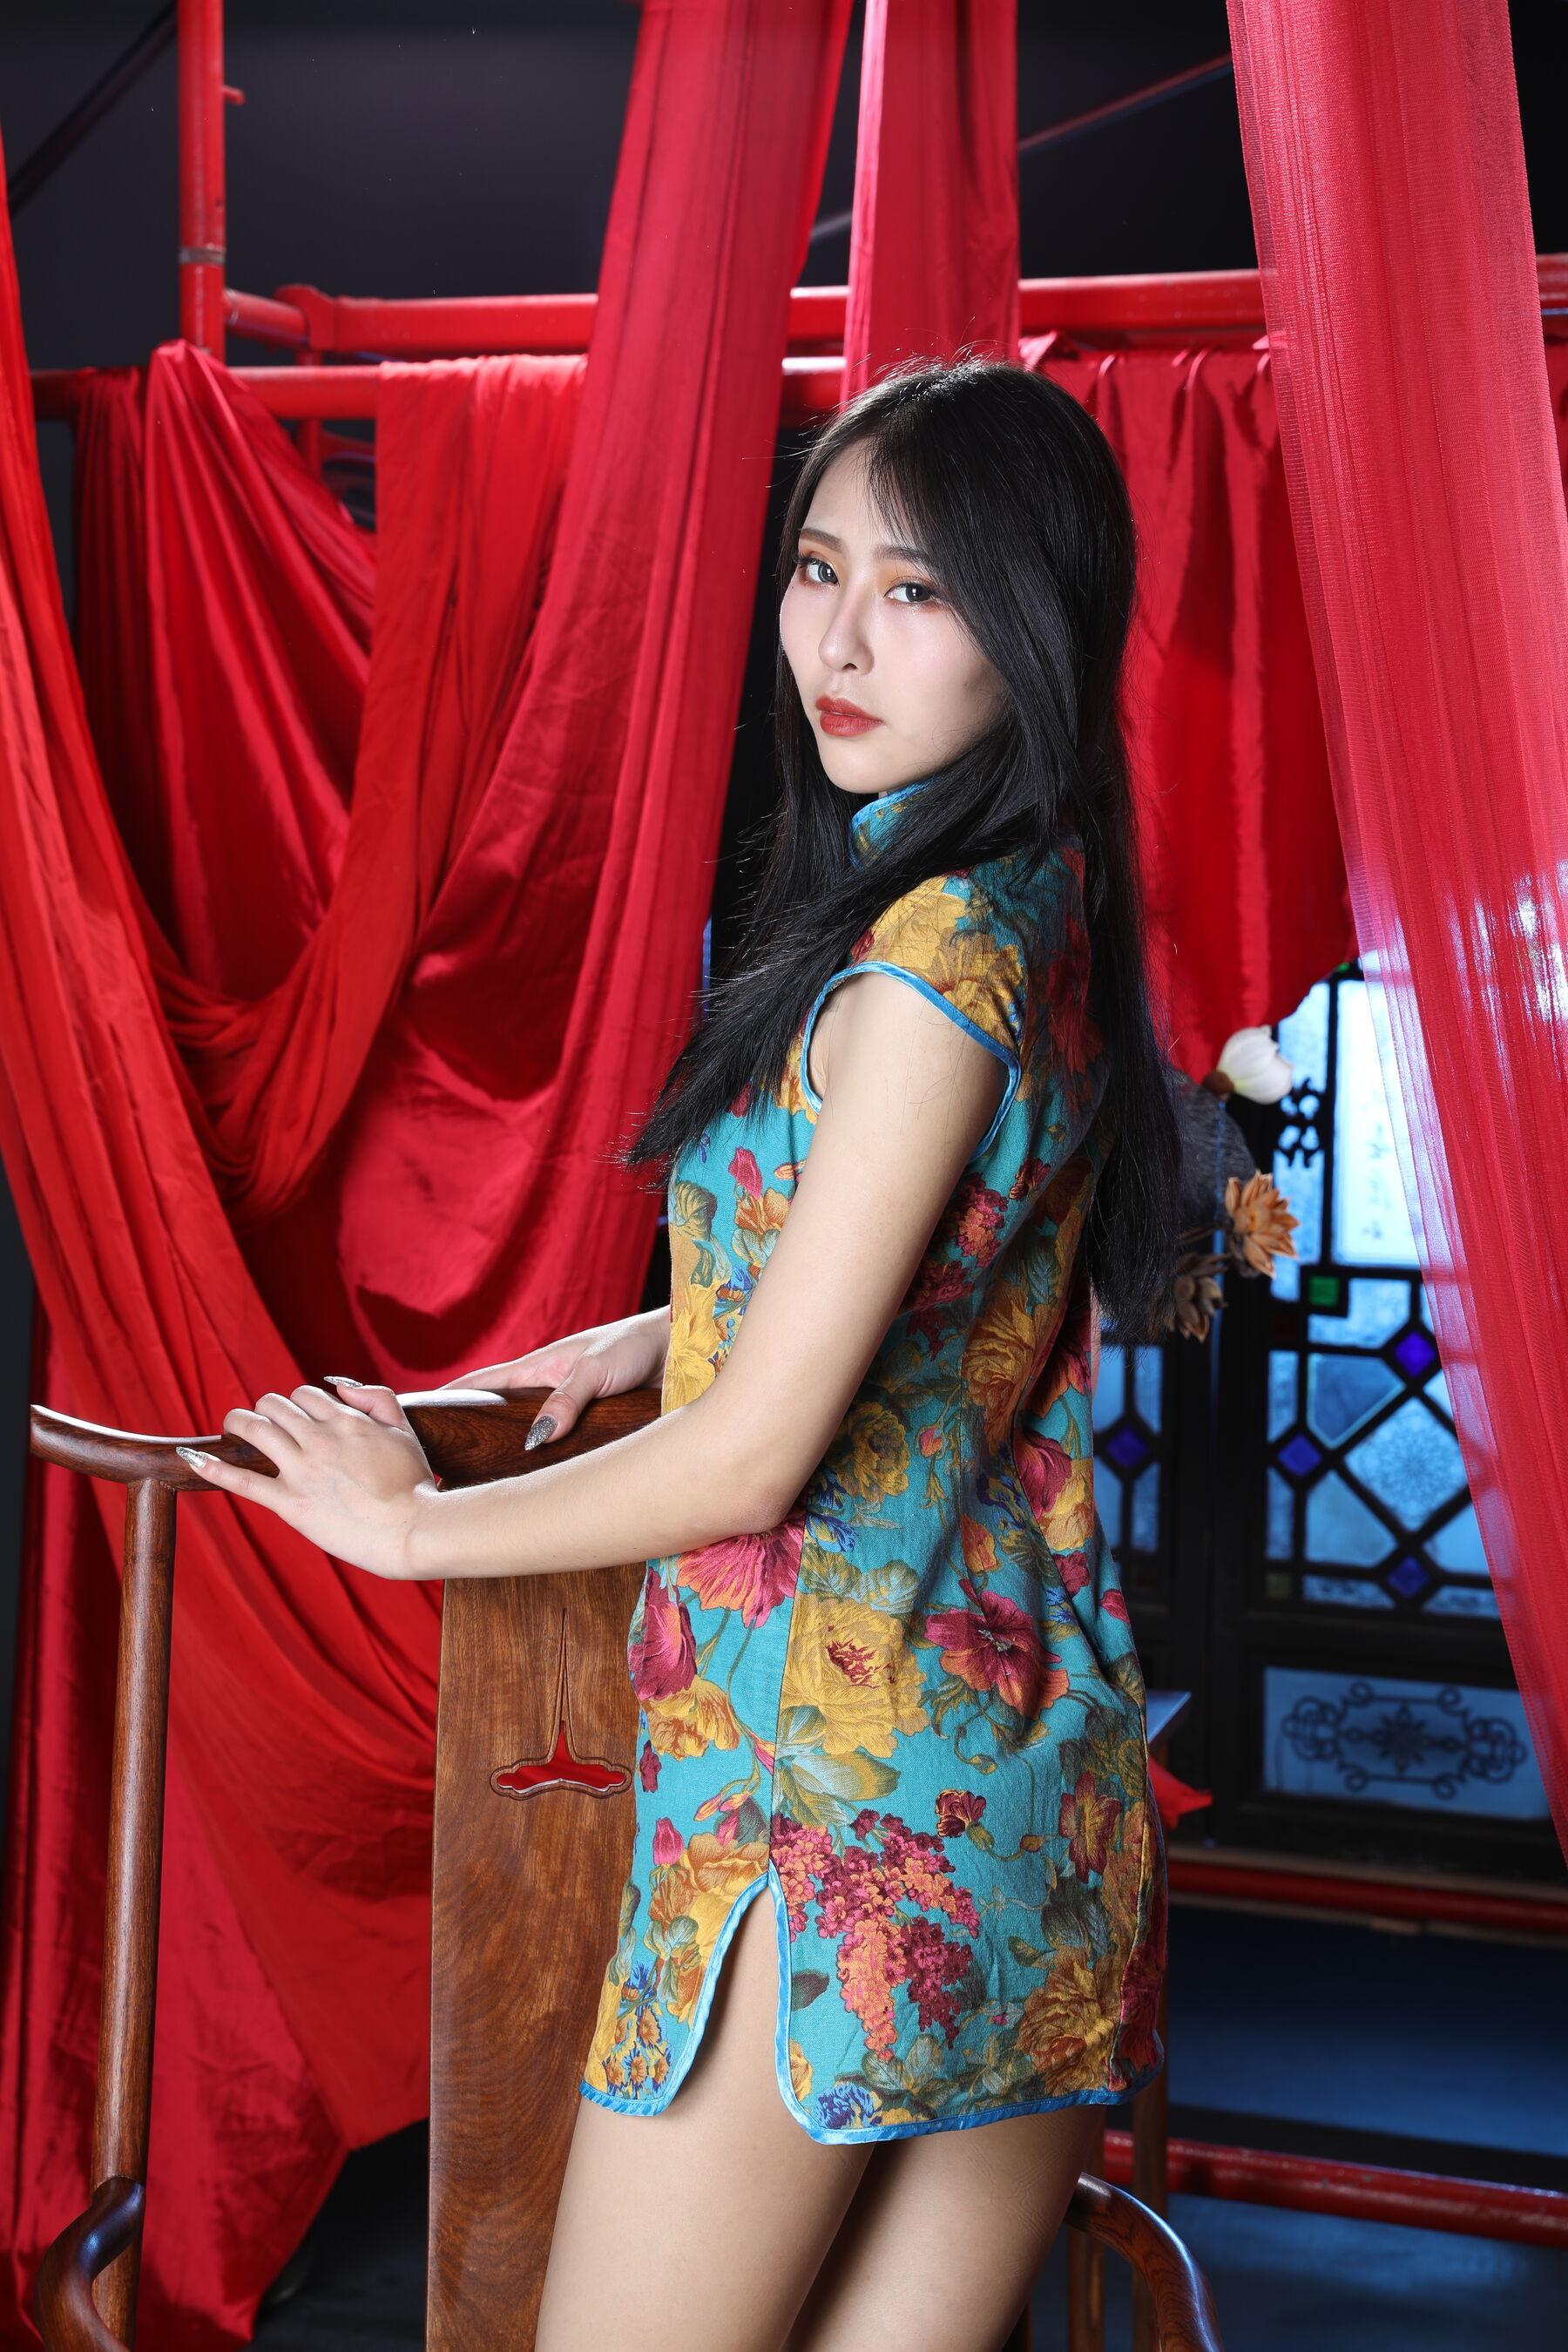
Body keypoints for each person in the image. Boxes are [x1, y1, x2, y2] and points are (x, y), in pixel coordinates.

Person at [178, 356, 1183, 2352]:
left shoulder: (927, 964)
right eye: (818, 569)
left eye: (918, 586)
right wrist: (674, 1315)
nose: (840, 638)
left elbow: (747, 1462)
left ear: (1036, 614)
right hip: (1028, 1790)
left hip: (828, 1808)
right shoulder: (1044, 899)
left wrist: (404, 1532)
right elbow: (960, 1263)